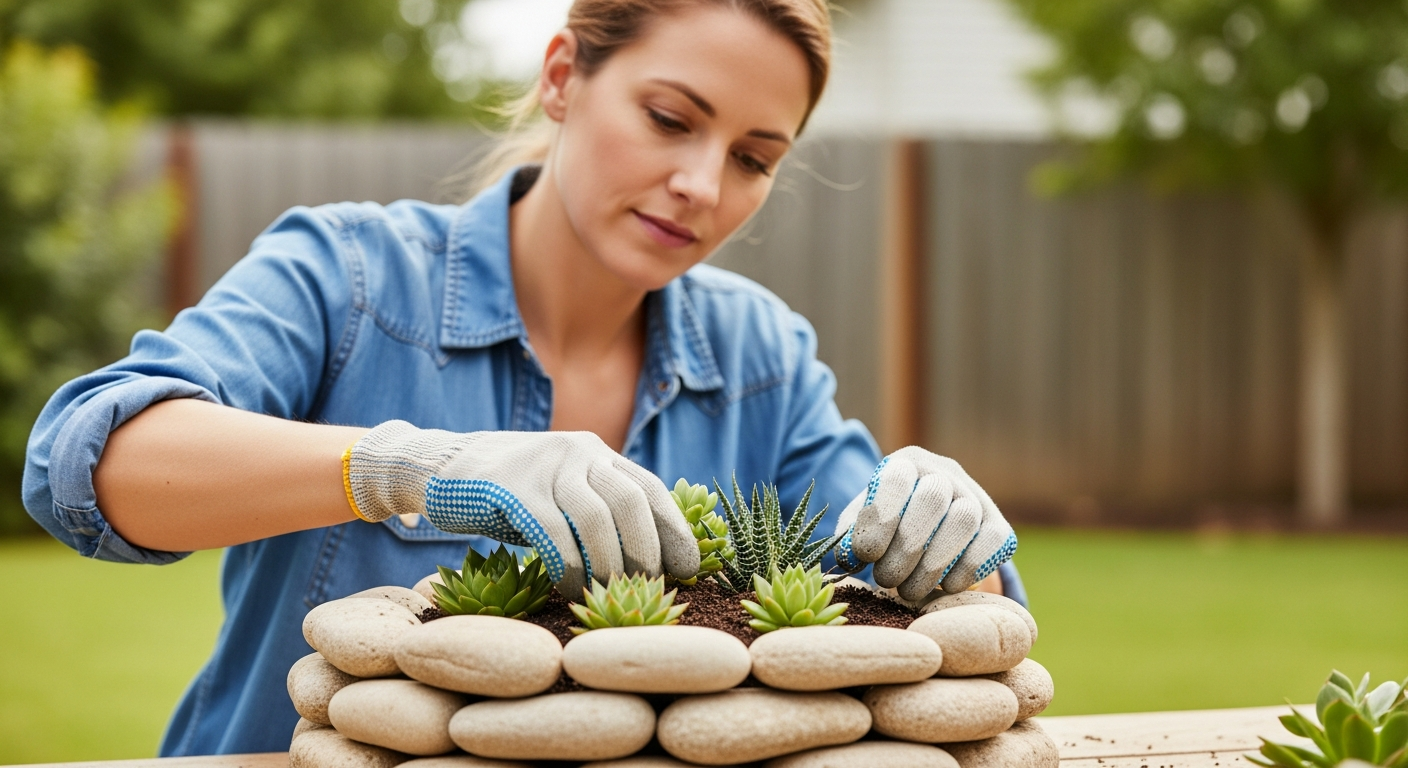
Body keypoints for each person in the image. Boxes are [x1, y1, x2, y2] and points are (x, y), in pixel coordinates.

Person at [23, 0, 1023, 755]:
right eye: (671, 118)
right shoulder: (348, 278)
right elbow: (87, 466)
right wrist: (412, 466)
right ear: (561, 76)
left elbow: (953, 618)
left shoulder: (759, 357)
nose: (703, 186)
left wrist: (942, 529)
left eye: (755, 158)